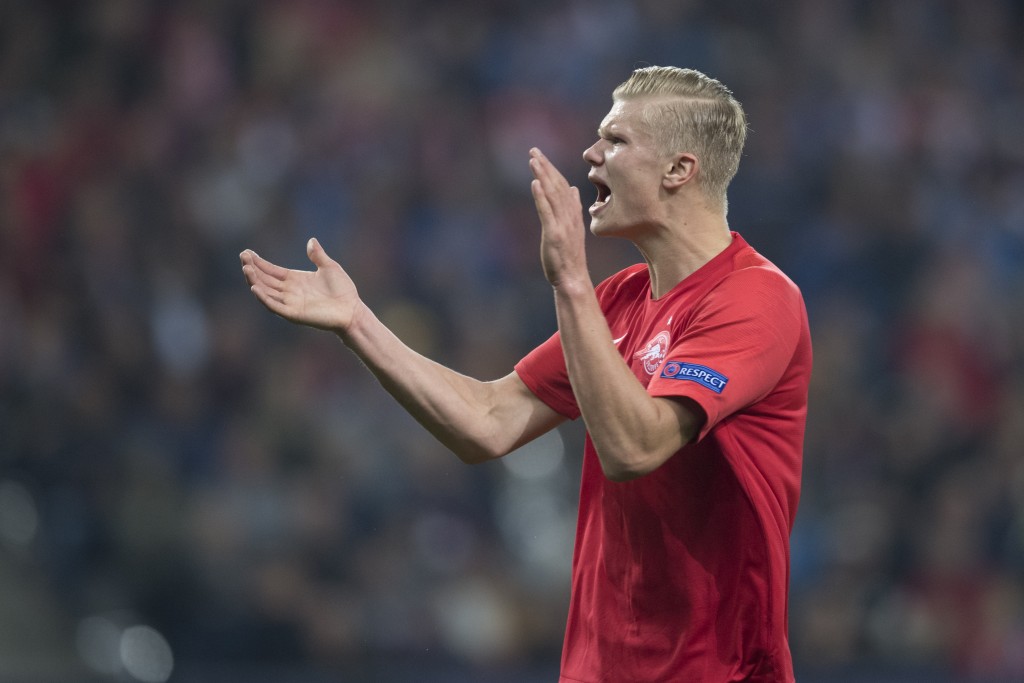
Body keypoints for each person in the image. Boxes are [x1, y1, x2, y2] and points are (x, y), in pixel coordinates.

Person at [240, 65, 811, 683]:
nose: (591, 153)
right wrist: (357, 323)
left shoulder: (756, 298)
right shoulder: (620, 300)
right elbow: (489, 421)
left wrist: (570, 280)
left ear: (679, 169)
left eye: (616, 139)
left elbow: (635, 447)